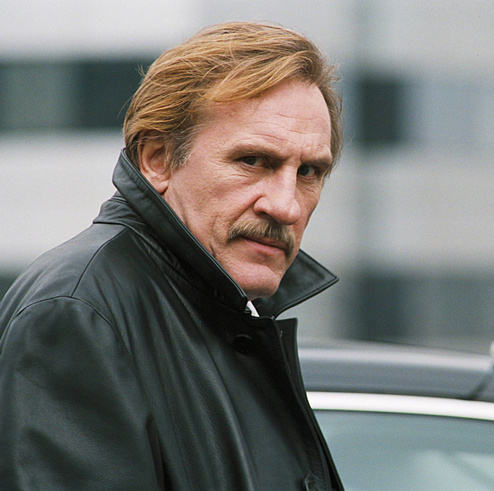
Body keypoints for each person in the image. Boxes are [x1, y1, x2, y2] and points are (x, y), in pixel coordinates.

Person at [0, 22, 344, 490]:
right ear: (157, 159)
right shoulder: (78, 313)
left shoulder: (212, 310)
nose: (286, 206)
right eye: (252, 161)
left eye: (309, 172)